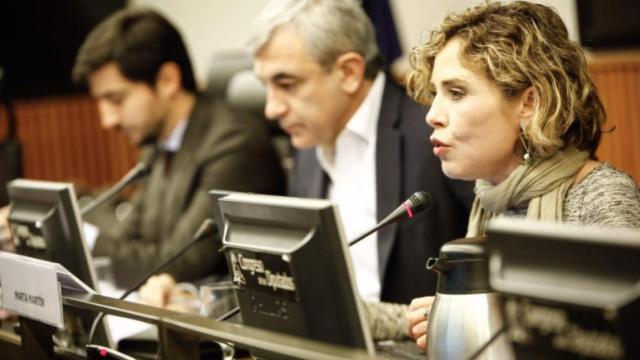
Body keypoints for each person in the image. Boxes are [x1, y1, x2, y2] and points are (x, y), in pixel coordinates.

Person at [404, 1, 640, 349]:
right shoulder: (492, 200)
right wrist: (446, 318)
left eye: (456, 93)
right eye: (435, 94)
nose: (433, 115)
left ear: (529, 103)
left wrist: (490, 325)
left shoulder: (600, 195)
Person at [249, 0, 474, 340]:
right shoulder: (308, 144)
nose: (271, 108)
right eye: (265, 86)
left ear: (349, 72)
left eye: (287, 84)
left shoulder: (437, 136)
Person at [72, 8, 286, 288]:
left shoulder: (234, 144)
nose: (107, 120)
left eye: (116, 99)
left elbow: (176, 265)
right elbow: (128, 239)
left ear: (167, 81)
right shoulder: (158, 144)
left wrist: (78, 236)